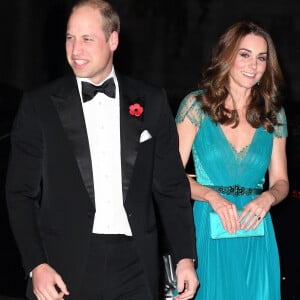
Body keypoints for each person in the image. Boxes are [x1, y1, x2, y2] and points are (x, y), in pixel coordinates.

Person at [5, 0, 199, 299]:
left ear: (113, 40)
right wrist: (37, 265)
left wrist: (185, 257)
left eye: (87, 39)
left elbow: (171, 187)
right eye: (70, 38)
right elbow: (20, 193)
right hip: (62, 268)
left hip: (136, 264)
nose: (75, 50)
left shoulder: (152, 101)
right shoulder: (39, 105)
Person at [176, 20, 289, 299]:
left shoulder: (273, 115)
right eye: (245, 54)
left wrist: (269, 198)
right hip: (209, 226)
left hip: (256, 231)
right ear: (227, 56)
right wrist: (210, 196)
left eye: (261, 58)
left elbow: (282, 181)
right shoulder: (196, 106)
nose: (253, 65)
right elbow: (169, 178)